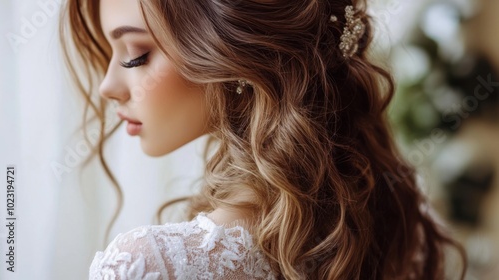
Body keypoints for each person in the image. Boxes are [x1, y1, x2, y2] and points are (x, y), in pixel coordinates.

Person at [59, 0, 466, 279]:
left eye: (135, 54)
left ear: (232, 48)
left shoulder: (148, 265)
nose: (108, 86)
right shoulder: (399, 226)